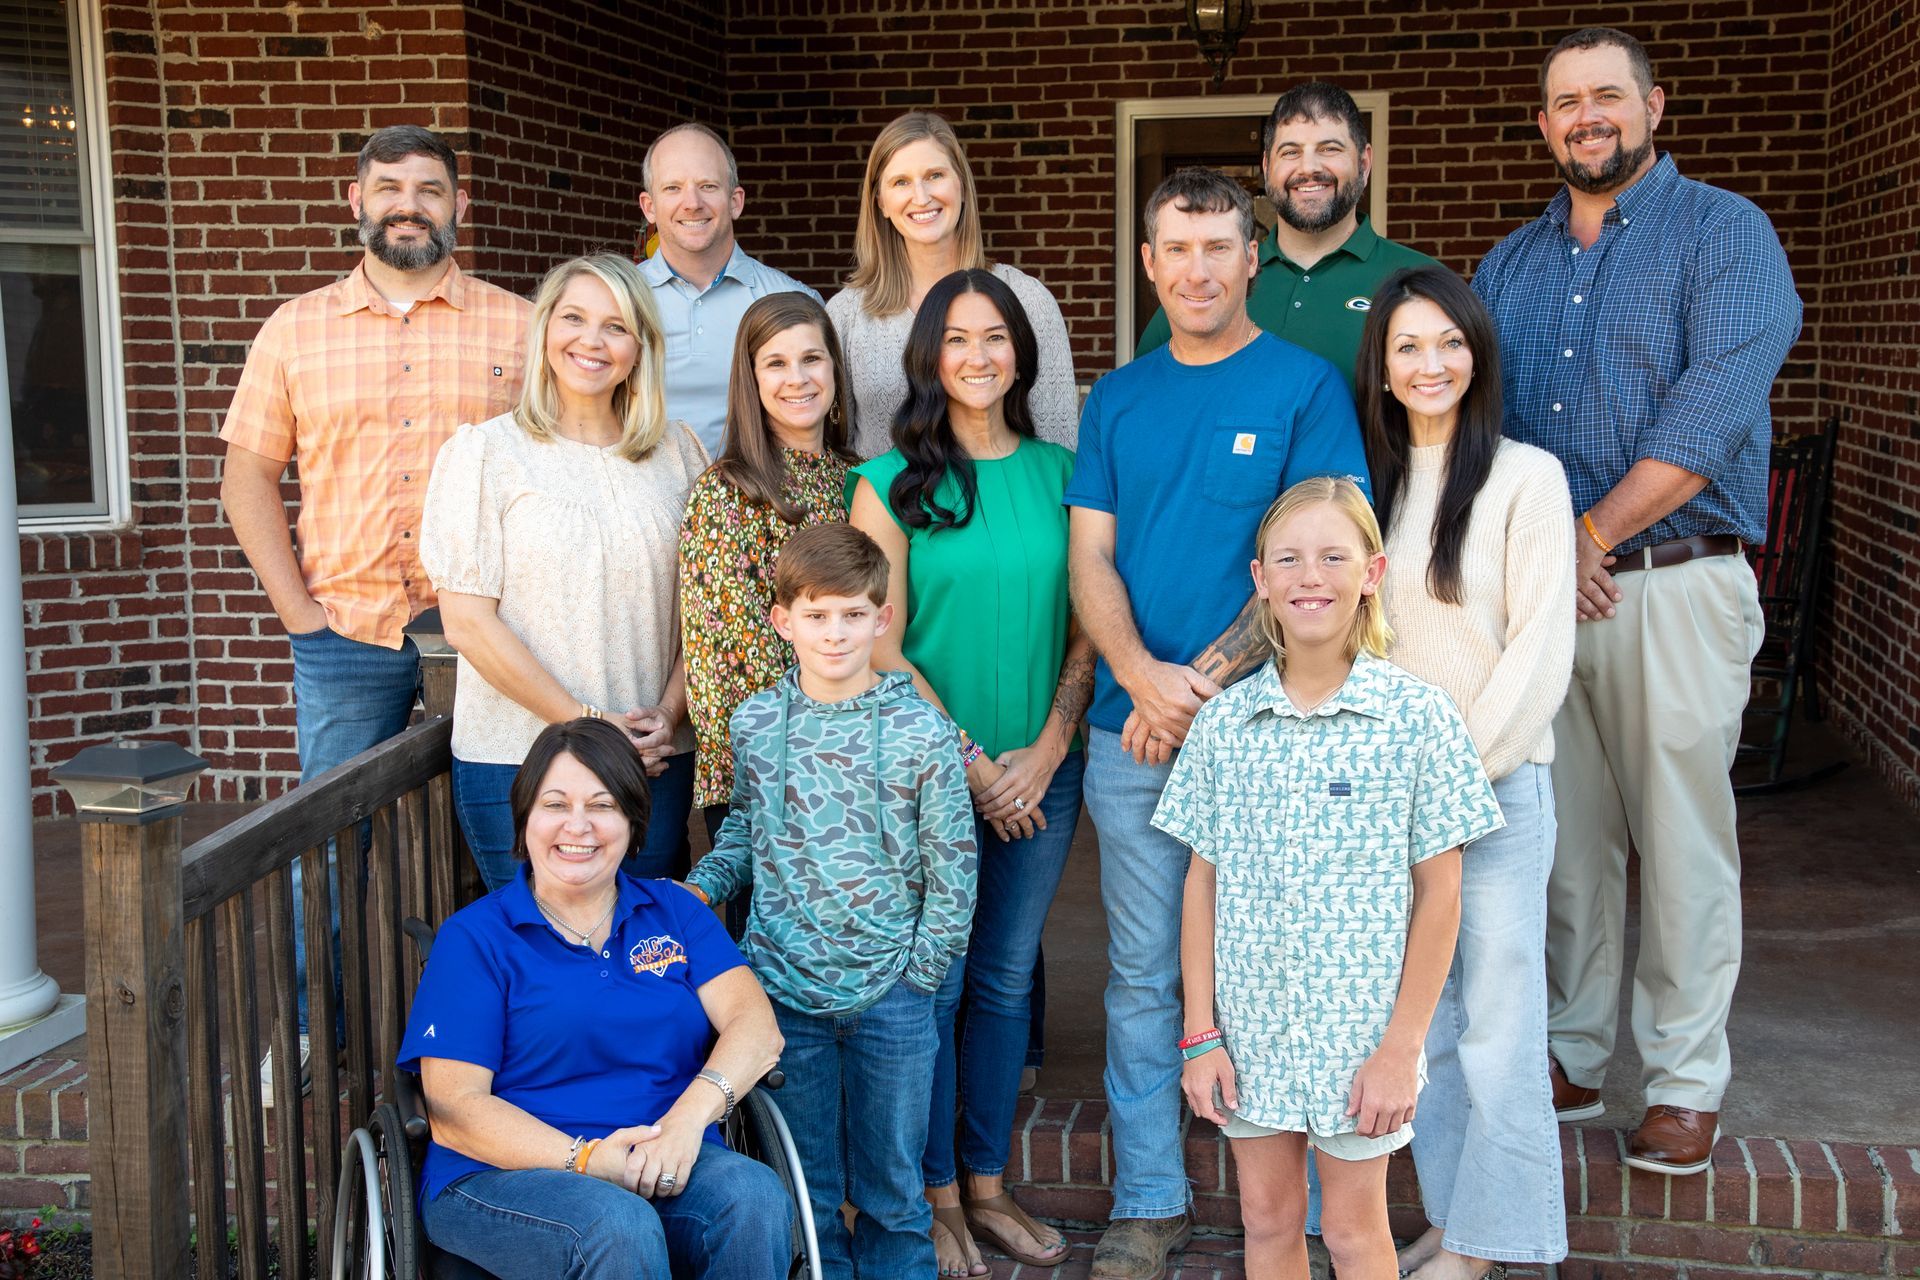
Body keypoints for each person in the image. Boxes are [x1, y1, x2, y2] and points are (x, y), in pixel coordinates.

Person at [1473, 26, 1799, 1175]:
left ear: (1653, 106)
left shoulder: (1726, 233)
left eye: (1607, 96)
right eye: (1565, 101)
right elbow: (1476, 419)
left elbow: (1713, 409)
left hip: (1669, 581)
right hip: (1547, 602)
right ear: (1545, 122)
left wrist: (1586, 535)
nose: (1586, 117)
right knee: (1562, 841)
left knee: (1682, 838)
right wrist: (1537, 558)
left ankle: (1682, 1076)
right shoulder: (1508, 265)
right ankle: (1569, 1047)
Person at [1065, 167, 1370, 1280]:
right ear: (1150, 265)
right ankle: (1149, 1200)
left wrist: (1194, 687)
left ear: (1253, 258)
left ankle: (1309, 1219)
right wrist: (1143, 678)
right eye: (1175, 250)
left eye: (1217, 248)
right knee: (1145, 972)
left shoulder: (1305, 386)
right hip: (1127, 732)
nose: (1196, 269)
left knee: (1287, 963)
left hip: (1272, 733)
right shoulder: (1116, 399)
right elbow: (1088, 555)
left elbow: (1320, 553)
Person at [219, 125, 531, 1085]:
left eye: (429, 189)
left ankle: (513, 1034)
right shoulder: (295, 328)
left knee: (506, 831)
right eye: (389, 187)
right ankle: (320, 1031)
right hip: (346, 635)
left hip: (484, 636)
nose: (409, 203)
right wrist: (298, 614)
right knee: (329, 842)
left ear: (458, 207)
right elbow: (245, 479)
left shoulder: (518, 325)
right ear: (355, 202)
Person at [1158, 476, 1502, 1280]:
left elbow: (1441, 894)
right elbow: (1201, 884)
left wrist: (1400, 1049)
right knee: (1268, 1221)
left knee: (1353, 1232)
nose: (1310, 576)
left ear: (1372, 574)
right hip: (1249, 1034)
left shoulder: (1418, 719)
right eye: (1289, 559)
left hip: (1363, 1039)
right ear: (1261, 582)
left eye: (1332, 557)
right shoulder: (1225, 725)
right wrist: (1201, 1034)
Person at [847, 269, 1091, 1276]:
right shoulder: (885, 482)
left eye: (997, 338)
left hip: (1047, 766)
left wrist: (1047, 746)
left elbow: (1088, 625)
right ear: (928, 358)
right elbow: (879, 642)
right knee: (934, 983)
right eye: (957, 340)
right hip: (928, 773)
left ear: (1022, 355)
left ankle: (986, 1183)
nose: (979, 356)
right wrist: (974, 765)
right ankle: (932, 1195)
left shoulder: (1062, 472)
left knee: (999, 980)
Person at [684, 523, 977, 1279]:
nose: (836, 632)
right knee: (805, 1192)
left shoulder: (922, 729)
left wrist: (921, 974)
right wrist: (699, 888)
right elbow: (748, 828)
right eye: (816, 615)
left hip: (893, 996)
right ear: (783, 621)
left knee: (893, 1192)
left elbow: (954, 868)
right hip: (784, 991)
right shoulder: (755, 723)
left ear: (883, 618)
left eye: (853, 614)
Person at [398, 716, 791, 1280]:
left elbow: (756, 1029)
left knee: (752, 1196)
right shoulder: (477, 938)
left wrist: (686, 1122)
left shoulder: (675, 912)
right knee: (616, 1225)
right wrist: (586, 1158)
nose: (577, 827)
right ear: (525, 820)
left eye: (602, 805)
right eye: (554, 805)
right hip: (504, 1174)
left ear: (633, 821)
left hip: (663, 1154)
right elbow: (456, 1109)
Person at [1358, 267, 1575, 1279]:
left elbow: (1538, 652)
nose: (1430, 362)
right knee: (1430, 1033)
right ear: (1385, 369)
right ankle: (1455, 1214)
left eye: (1449, 342)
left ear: (1476, 354)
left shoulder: (1529, 478)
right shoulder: (1372, 486)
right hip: (1393, 813)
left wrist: (1451, 785)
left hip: (1491, 798)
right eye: (1408, 346)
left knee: (1498, 1027)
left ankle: (1490, 1245)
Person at [421, 253, 707, 892]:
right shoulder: (487, 453)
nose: (592, 340)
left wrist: (670, 710)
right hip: (519, 759)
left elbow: (706, 611)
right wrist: (589, 727)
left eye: (616, 325)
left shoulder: (678, 454)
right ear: (544, 328)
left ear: (640, 347)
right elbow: (468, 624)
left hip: (652, 762)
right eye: (574, 318)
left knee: (644, 958)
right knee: (545, 967)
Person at [680, 291, 858, 845]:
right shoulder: (726, 493)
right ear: (751, 380)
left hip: (863, 767)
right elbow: (724, 669)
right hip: (769, 782)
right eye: (776, 363)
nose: (797, 378)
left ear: (834, 368)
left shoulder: (861, 479)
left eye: (811, 358)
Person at [1136, 82, 1439, 392]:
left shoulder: (1423, 280)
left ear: (1364, 163)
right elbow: (1146, 399)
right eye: (1290, 152)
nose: (1308, 168)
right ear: (1267, 167)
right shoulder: (1210, 287)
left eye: (1329, 149)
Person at [828, 111, 1078, 455]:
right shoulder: (847, 315)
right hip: (887, 508)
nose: (921, 196)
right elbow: (833, 450)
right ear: (881, 203)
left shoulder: (1027, 300)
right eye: (900, 182)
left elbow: (1058, 445)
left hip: (1001, 505)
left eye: (935, 175)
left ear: (961, 186)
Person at [639, 122, 823, 459]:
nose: (691, 203)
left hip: (759, 501)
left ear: (735, 201)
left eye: (708, 186)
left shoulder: (789, 301)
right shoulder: (619, 301)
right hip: (642, 503)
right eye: (673, 188)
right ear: (649, 207)